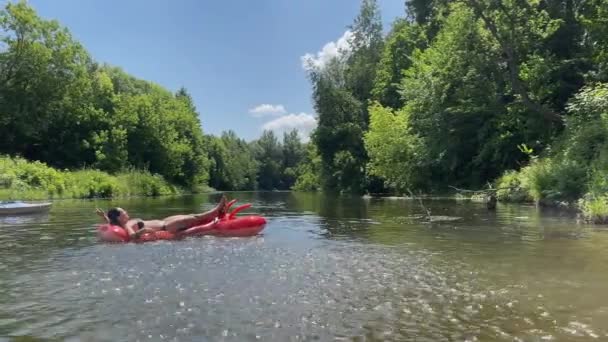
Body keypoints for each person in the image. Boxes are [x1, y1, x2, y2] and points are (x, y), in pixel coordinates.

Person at [95, 195, 228, 239]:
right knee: (194, 218)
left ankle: (217, 213)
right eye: (123, 211)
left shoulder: (123, 223)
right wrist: (144, 231)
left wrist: (104, 217)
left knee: (190, 216)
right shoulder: (128, 225)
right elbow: (131, 236)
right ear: (119, 218)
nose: (126, 212)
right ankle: (215, 211)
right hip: (166, 226)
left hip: (165, 221)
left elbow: (112, 224)